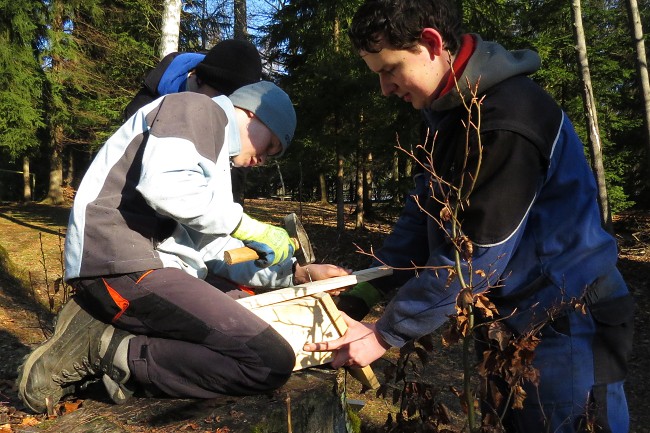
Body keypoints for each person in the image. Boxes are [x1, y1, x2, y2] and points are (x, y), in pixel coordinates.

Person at [307, 1, 635, 432]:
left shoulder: (505, 120)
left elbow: (477, 254)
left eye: (389, 69)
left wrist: (383, 334)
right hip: (510, 320)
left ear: (430, 43)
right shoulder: (447, 113)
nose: (385, 88)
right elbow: (420, 217)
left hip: (569, 321)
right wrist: (363, 292)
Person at [17, 80, 351, 414]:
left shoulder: (214, 152)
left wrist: (295, 274)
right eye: (271, 146)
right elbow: (164, 186)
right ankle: (105, 348)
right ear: (253, 114)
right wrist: (247, 225)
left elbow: (212, 246)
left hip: (146, 265)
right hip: (121, 260)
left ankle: (106, 330)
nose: (263, 159)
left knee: (244, 308)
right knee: (268, 362)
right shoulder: (196, 109)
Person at [124, 39, 264, 204]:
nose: (219, 111)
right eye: (219, 100)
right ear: (199, 79)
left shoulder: (231, 114)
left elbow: (231, 176)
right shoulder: (147, 103)